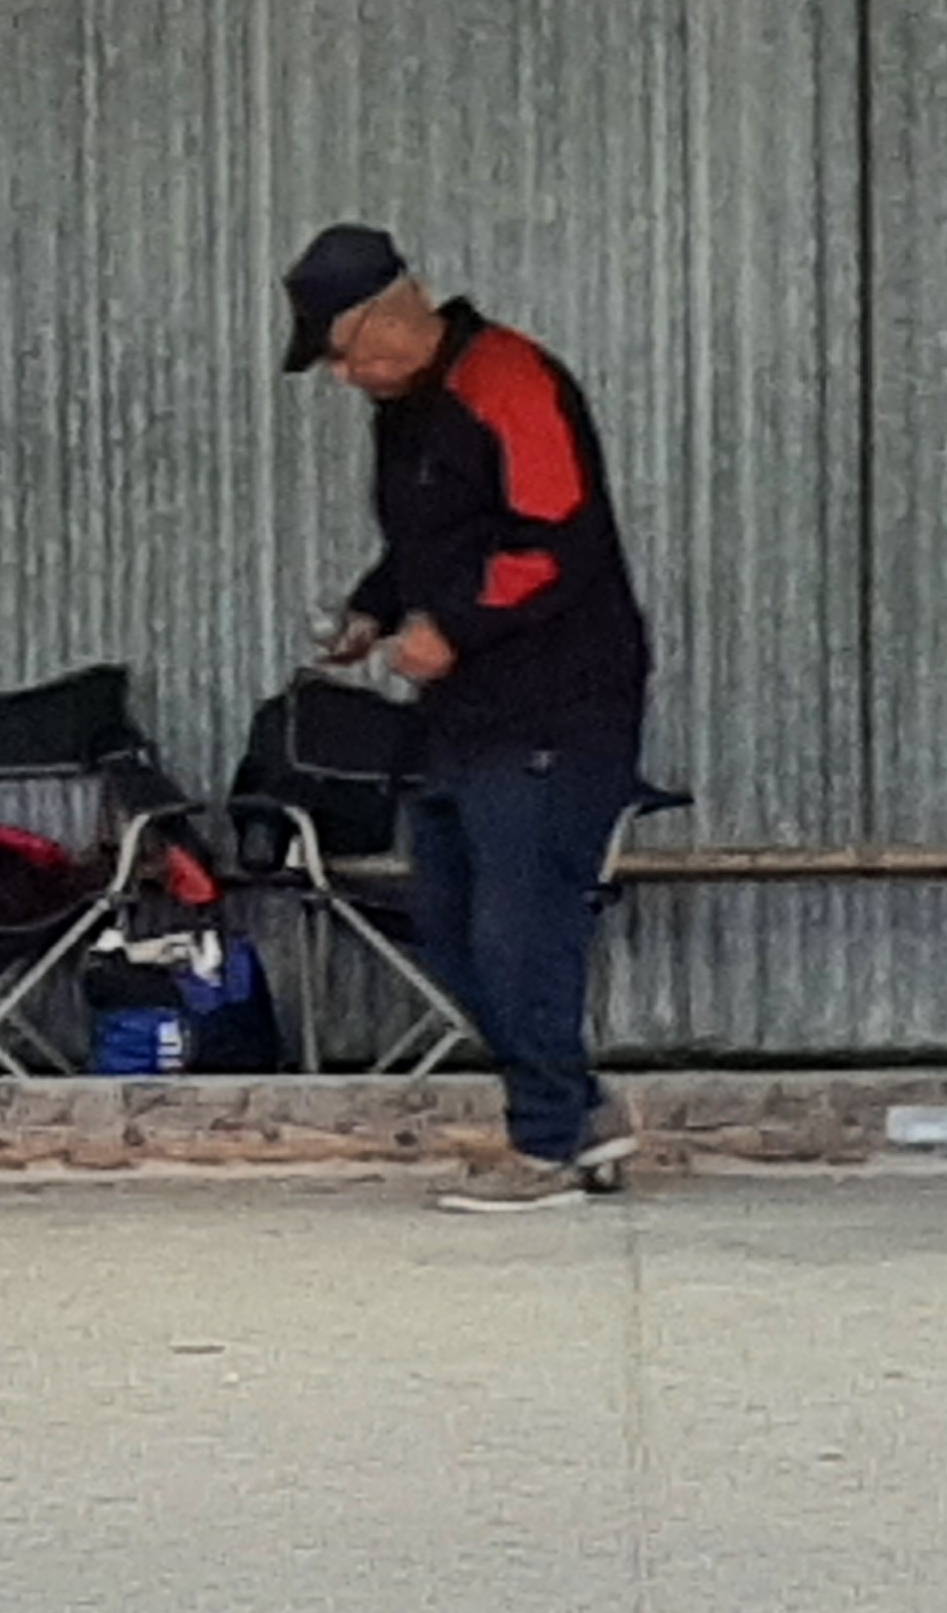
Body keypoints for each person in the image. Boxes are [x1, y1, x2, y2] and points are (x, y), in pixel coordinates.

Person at [281, 223, 655, 1214]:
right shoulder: (404, 409)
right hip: (465, 712)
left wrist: (453, 626)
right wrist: (373, 611)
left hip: (558, 702)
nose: (342, 376)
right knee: (444, 919)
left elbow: (555, 537)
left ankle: (545, 1144)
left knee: (520, 926)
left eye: (343, 352)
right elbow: (428, 542)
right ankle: (578, 1111)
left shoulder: (510, 381)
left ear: (386, 315)